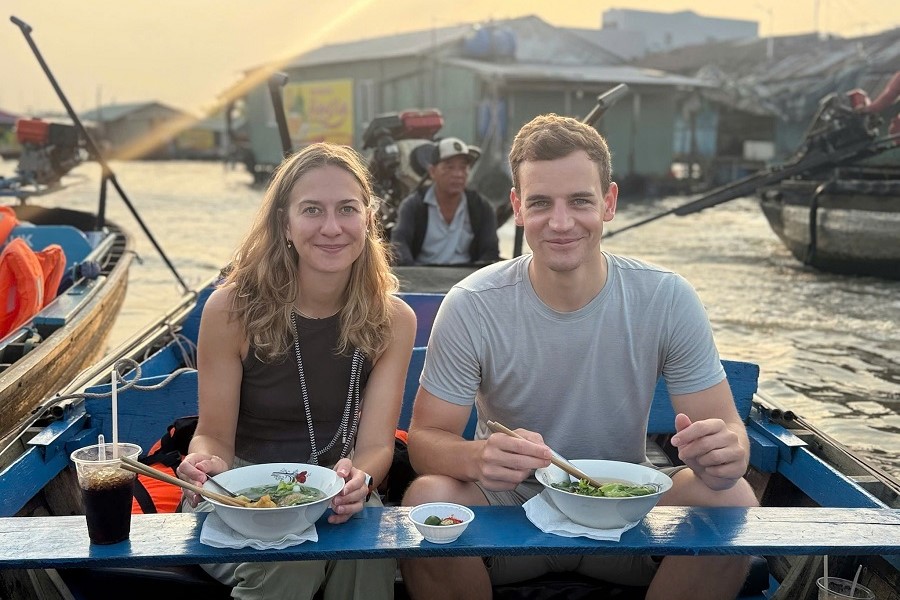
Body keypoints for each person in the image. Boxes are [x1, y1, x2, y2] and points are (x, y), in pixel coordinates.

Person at [399, 114, 758, 600]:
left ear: (608, 202)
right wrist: (477, 456)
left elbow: (727, 430)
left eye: (581, 201)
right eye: (541, 202)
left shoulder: (666, 297)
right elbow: (424, 440)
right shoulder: (471, 303)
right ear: (518, 207)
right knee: (426, 499)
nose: (562, 222)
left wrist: (726, 454)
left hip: (627, 511)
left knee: (734, 497)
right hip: (509, 510)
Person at [176, 142, 416, 600]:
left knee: (365, 558)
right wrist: (206, 463)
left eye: (347, 209)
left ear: (368, 220)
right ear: (284, 224)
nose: (331, 227)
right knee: (292, 560)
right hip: (241, 497)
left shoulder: (395, 320)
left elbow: (376, 446)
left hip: (340, 489)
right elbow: (213, 436)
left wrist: (360, 479)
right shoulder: (230, 309)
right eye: (312, 210)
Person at [390, 137, 500, 266]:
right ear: (432, 172)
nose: (458, 174)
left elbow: (490, 252)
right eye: (449, 167)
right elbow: (400, 245)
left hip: (468, 281)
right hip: (423, 279)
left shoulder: (481, 207)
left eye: (463, 168)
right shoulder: (413, 206)